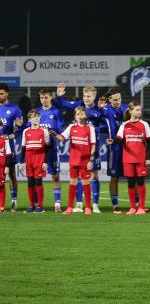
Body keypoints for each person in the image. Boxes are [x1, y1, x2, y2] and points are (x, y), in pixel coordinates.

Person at [56, 83, 105, 213]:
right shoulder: (79, 106)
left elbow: (106, 126)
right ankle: (78, 204)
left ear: (94, 97)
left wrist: (94, 128)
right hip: (79, 147)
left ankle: (94, 204)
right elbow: (64, 104)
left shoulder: (99, 111)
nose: (86, 98)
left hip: (92, 147)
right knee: (76, 176)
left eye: (89, 96)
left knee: (93, 175)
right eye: (84, 96)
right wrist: (60, 97)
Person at [57, 107, 96, 214]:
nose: (80, 115)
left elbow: (93, 145)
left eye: (82, 113)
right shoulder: (71, 127)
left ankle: (88, 207)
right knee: (73, 182)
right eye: (78, 113)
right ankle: (70, 207)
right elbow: (62, 137)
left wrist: (91, 160)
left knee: (85, 182)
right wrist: (55, 135)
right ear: (75, 116)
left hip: (85, 160)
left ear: (85, 115)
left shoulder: (90, 128)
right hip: (74, 160)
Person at [116, 103, 150, 215]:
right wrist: (112, 141)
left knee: (141, 182)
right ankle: (132, 207)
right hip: (127, 158)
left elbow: (149, 142)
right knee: (130, 183)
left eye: (140, 110)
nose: (139, 112)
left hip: (141, 158)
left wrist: (148, 158)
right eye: (137, 110)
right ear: (131, 111)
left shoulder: (144, 124)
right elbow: (119, 138)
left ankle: (142, 207)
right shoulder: (124, 125)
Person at [35, 89, 66, 212]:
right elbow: (29, 127)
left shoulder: (56, 112)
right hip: (39, 150)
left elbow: (59, 129)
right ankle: (38, 203)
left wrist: (53, 132)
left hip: (52, 149)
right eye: (41, 98)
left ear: (50, 97)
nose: (43, 100)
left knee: (55, 176)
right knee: (37, 177)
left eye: (46, 97)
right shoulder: (36, 112)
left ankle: (57, 204)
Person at [99, 88, 127, 213]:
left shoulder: (126, 109)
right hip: (114, 148)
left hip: (128, 147)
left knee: (134, 177)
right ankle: (115, 205)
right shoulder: (105, 110)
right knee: (114, 177)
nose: (117, 102)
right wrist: (100, 108)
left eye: (119, 99)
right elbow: (95, 114)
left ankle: (137, 204)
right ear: (109, 100)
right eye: (115, 99)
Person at [0, 83, 23, 211]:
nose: (0, 96)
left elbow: (20, 128)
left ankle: (14, 200)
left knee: (11, 173)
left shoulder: (14, 109)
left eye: (2, 93)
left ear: (7, 93)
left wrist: (10, 136)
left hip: (8, 145)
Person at [22, 110, 51, 213]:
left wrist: (45, 162)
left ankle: (40, 206)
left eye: (38, 116)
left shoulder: (44, 131)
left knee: (38, 182)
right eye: (34, 117)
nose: (36, 118)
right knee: (30, 183)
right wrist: (22, 162)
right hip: (29, 158)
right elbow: (23, 148)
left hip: (39, 158)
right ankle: (31, 206)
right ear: (29, 119)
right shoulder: (26, 131)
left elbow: (47, 147)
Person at [0, 135, 10, 211]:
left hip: (1, 167)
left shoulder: (4, 140)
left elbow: (8, 154)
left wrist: (7, 166)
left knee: (1, 186)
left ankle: (1, 206)